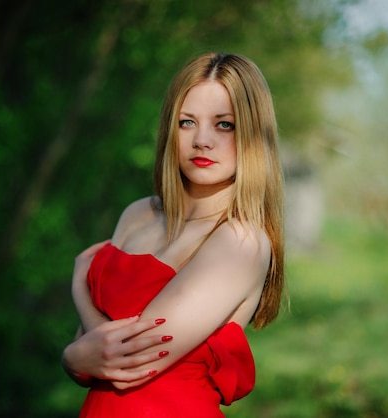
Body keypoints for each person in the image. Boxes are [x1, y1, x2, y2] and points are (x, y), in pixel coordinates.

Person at [62, 52, 285, 417]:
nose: (202, 140)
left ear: (252, 134)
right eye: (187, 122)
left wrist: (78, 293)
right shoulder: (138, 214)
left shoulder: (240, 241)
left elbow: (126, 360)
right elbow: (91, 360)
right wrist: (78, 358)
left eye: (224, 125)